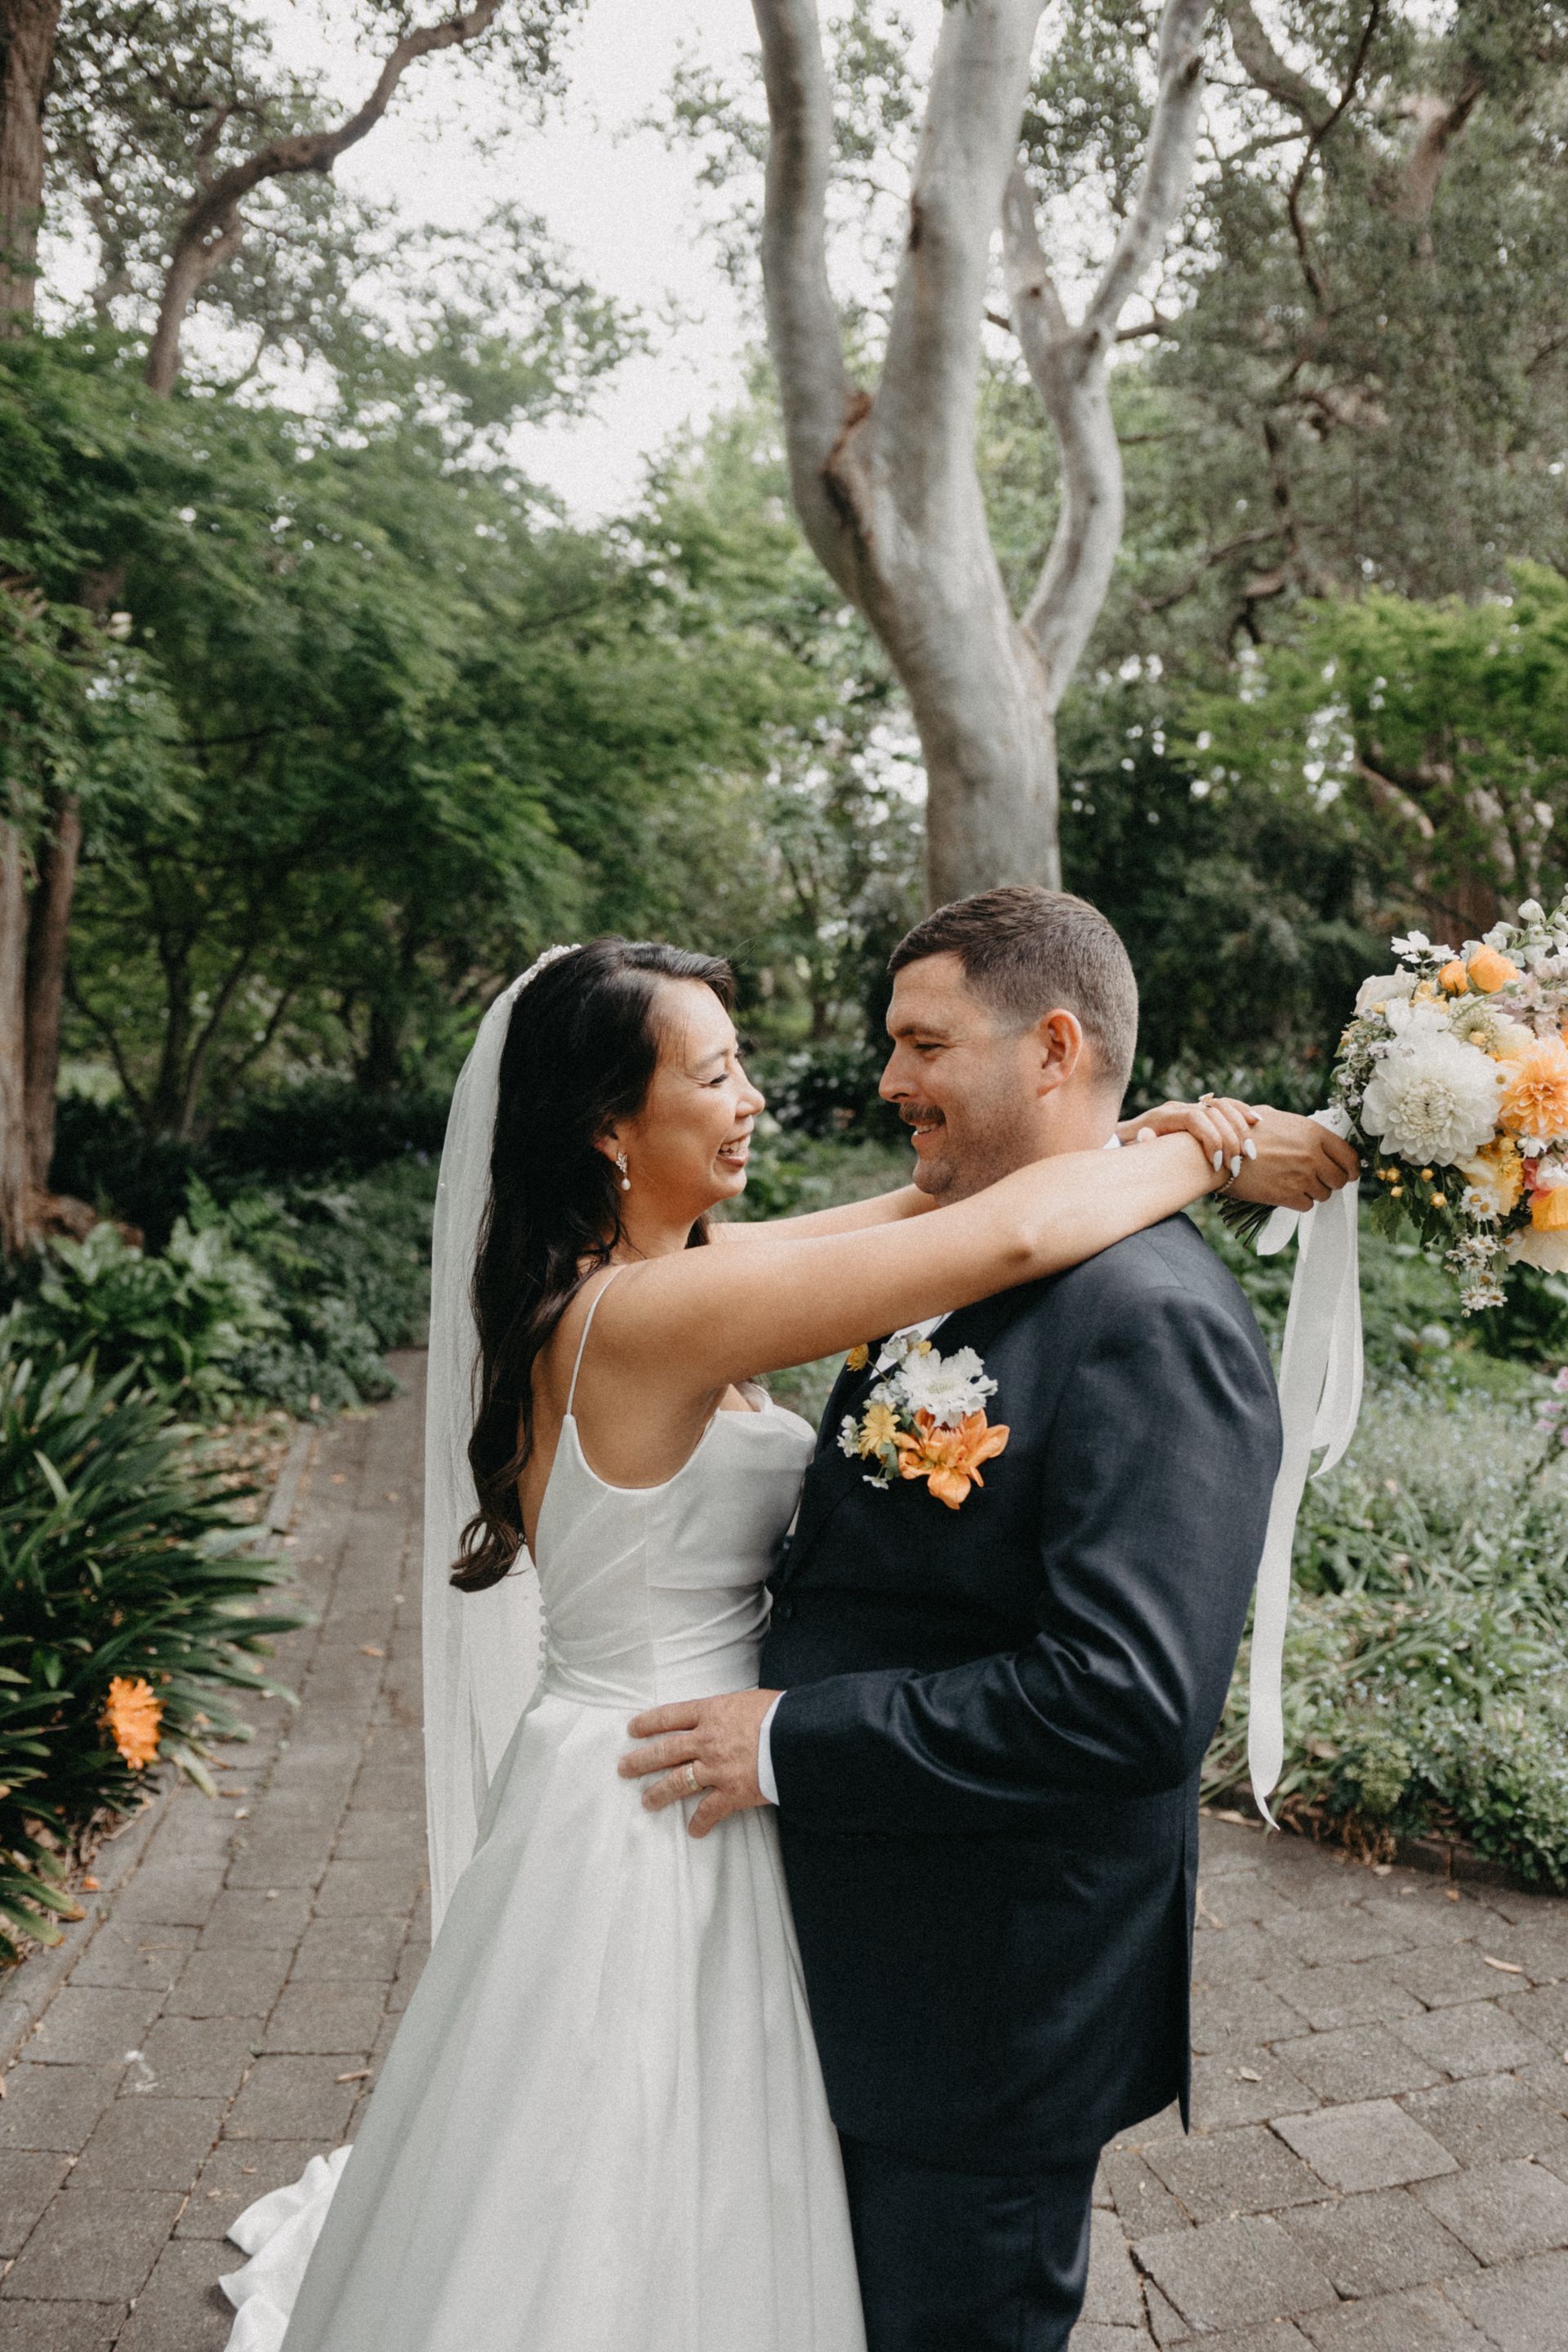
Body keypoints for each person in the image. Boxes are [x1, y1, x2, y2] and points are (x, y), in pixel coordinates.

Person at [219, 920, 1353, 2352]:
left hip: (681, 1779)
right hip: (662, 1803)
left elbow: (907, 1221)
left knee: (683, 2197)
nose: (761, 1094)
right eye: (719, 1071)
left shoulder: (656, 1275)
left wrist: (1151, 1134)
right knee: (626, 2202)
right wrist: (1209, 1152)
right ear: (612, 1131)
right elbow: (993, 1235)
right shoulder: (652, 1314)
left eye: (913, 1047)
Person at [620, 886, 1361, 2352]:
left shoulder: (1151, 1322)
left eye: (922, 1042)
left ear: (1053, 1047)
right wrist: (1196, 1145)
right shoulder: (958, 1254)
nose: (888, 1080)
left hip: (982, 2007)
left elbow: (1128, 1700)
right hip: (853, 1957)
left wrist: (792, 1738)